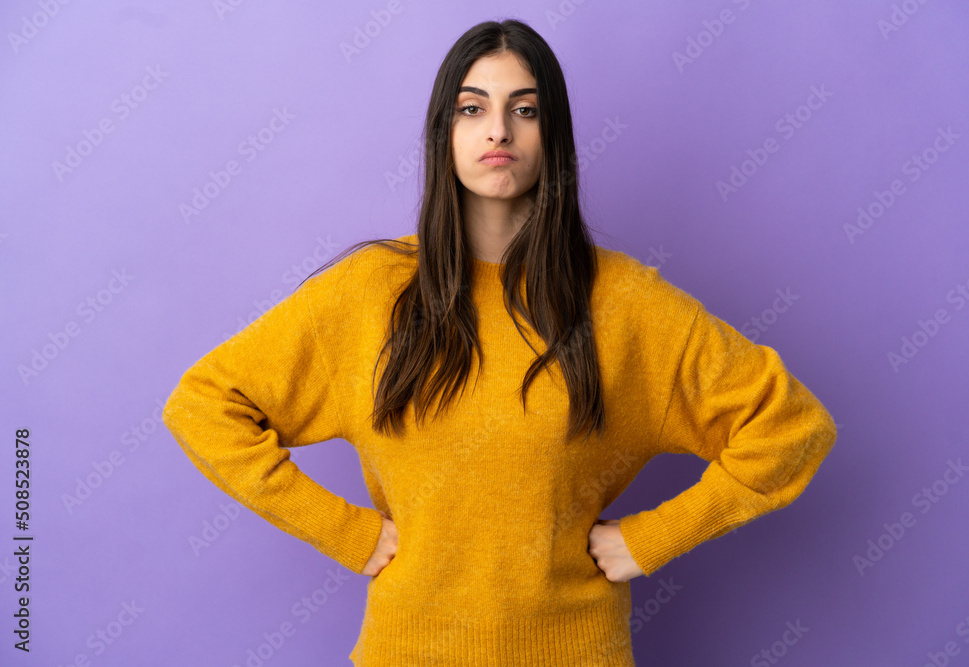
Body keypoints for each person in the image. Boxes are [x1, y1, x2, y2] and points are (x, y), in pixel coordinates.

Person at [162, 18, 837, 666]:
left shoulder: (627, 302)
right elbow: (203, 404)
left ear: (552, 133)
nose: (498, 130)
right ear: (444, 132)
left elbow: (791, 427)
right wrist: (345, 530)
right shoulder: (369, 292)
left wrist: (653, 537)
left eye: (525, 109)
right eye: (471, 108)